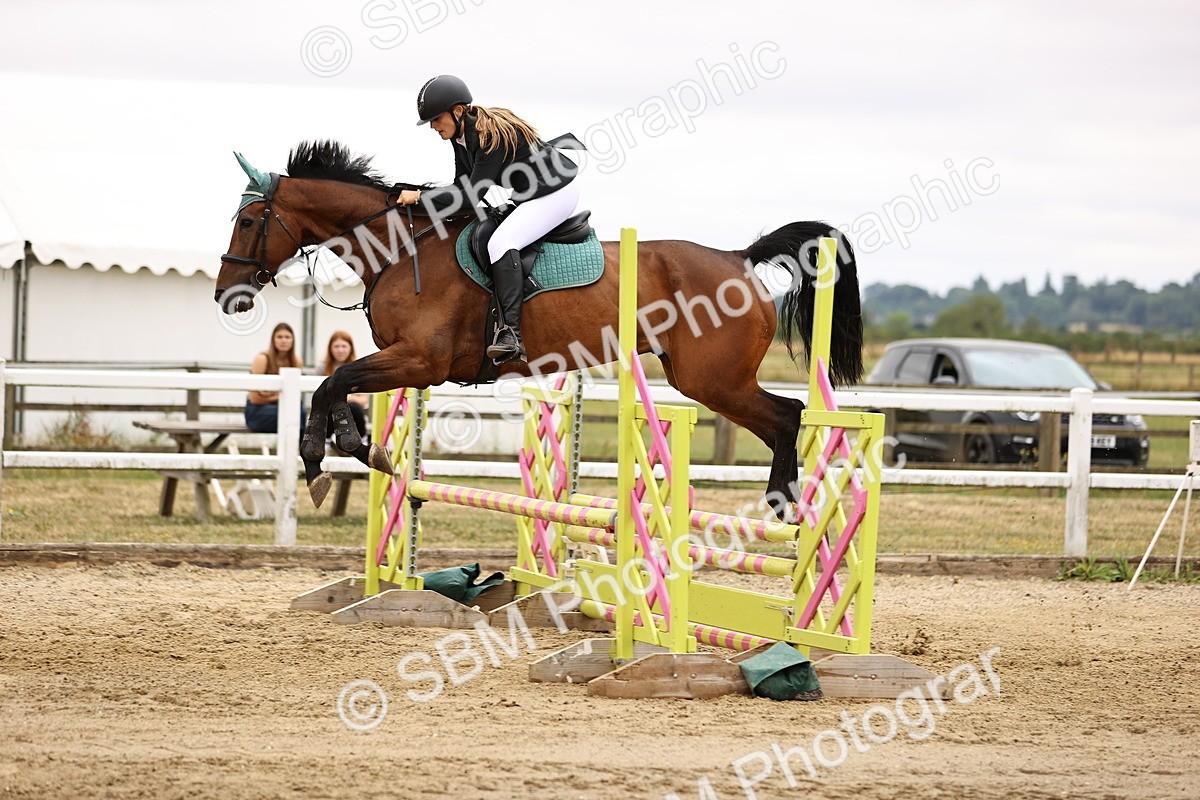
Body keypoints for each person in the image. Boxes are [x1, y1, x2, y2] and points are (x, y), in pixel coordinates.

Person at [396, 75, 582, 365]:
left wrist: (421, 197)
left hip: (556, 191)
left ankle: (511, 334)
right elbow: (460, 188)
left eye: (436, 119)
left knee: (501, 242)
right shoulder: (460, 137)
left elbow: (469, 197)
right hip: (529, 193)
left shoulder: (488, 137)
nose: (433, 126)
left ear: (457, 111)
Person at [244, 322, 307, 433]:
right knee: (297, 413)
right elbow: (255, 399)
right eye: (279, 337)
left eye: (287, 337)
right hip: (257, 412)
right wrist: (284, 394)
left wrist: (272, 394)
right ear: (273, 340)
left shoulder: (296, 362)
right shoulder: (262, 359)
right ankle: (301, 449)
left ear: (293, 340)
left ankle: (297, 449)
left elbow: (297, 397)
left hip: (284, 410)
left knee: (299, 411)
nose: (284, 340)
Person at [321, 330, 368, 440]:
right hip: (330, 408)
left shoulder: (358, 368)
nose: (340, 350)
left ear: (350, 348)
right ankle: (325, 441)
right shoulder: (322, 368)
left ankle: (362, 440)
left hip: (352, 408)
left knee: (354, 408)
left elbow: (364, 400)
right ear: (330, 348)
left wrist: (347, 398)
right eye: (336, 346)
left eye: (344, 346)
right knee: (331, 409)